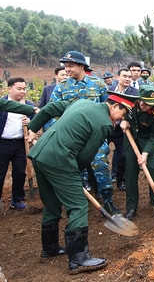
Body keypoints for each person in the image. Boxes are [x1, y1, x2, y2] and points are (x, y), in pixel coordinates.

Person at [26, 90, 138, 274]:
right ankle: (79, 259)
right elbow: (86, 157)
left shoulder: (81, 102)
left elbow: (51, 108)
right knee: (78, 206)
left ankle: (50, 248)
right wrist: (72, 174)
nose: (119, 119)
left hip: (40, 154)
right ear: (115, 105)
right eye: (123, 114)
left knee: (52, 203)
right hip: (60, 159)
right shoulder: (104, 123)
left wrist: (33, 126)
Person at [50, 51, 121, 216]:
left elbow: (109, 108)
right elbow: (52, 112)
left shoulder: (98, 85)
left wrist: (110, 126)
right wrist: (56, 132)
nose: (67, 69)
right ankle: (80, 203)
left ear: (82, 66)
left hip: (95, 136)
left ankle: (108, 200)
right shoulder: (61, 88)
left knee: (101, 166)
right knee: (76, 170)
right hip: (72, 138)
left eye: (70, 66)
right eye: (65, 66)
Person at [121, 85, 154, 222]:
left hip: (148, 141)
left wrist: (145, 153)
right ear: (140, 101)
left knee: (152, 168)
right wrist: (124, 120)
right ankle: (131, 206)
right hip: (131, 138)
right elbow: (121, 112)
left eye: (151, 105)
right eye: (146, 105)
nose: (149, 107)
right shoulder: (131, 104)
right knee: (131, 171)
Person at [0, 77, 36, 210]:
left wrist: (30, 123)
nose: (22, 91)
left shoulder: (29, 106)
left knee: (19, 173)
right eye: (19, 88)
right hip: (2, 144)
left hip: (21, 144)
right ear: (9, 88)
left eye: (24, 89)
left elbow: (36, 123)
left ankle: (17, 199)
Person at [107, 68, 138, 191]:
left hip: (122, 130)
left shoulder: (134, 93)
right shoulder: (108, 90)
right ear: (118, 77)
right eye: (125, 76)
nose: (127, 79)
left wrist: (127, 121)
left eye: (129, 77)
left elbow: (135, 112)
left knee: (123, 155)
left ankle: (121, 180)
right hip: (107, 127)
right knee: (100, 153)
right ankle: (100, 182)